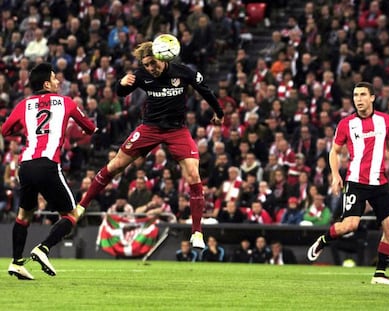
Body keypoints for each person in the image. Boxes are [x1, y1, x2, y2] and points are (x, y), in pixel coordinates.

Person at [77, 40, 224, 249]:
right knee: (115, 165)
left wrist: (219, 113)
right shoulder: (141, 75)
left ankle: (197, 233)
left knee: (193, 174)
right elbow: (121, 93)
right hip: (149, 128)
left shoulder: (183, 72)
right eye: (146, 64)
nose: (150, 68)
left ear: (163, 58)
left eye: (153, 63)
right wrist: (122, 83)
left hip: (176, 130)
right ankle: (82, 206)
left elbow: (206, 91)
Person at [2, 62, 96, 280]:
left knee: (24, 214)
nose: (58, 82)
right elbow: (89, 128)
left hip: (25, 165)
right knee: (71, 215)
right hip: (47, 164)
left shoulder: (24, 104)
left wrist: (25, 127)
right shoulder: (66, 102)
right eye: (55, 78)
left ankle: (16, 263)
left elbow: (6, 130)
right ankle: (43, 249)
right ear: (46, 83)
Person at [307, 82, 389, 285]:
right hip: (356, 182)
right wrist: (335, 175)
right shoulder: (346, 124)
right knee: (350, 225)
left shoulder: (385, 121)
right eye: (355, 95)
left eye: (362, 95)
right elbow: (334, 151)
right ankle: (323, 240)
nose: (358, 99)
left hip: (380, 182)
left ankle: (379, 274)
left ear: (372, 97)